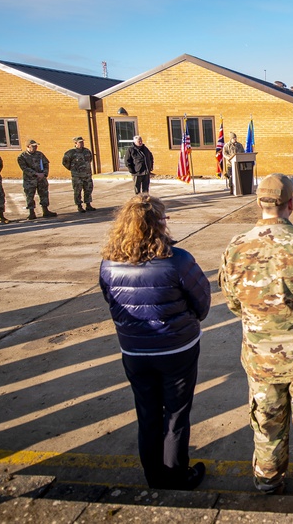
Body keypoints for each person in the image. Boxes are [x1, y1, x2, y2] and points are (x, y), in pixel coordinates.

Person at [220, 173, 293, 497]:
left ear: (259, 202)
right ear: (290, 203)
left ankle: (268, 482)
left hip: (261, 358)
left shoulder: (236, 246)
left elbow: (233, 303)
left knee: (267, 423)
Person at [99, 194, 210, 490]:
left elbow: (111, 303)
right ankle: (175, 476)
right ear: (157, 224)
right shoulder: (178, 260)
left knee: (147, 414)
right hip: (176, 349)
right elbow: (202, 304)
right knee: (175, 415)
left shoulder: (108, 263)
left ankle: (154, 476)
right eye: (164, 219)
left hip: (134, 349)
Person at [17, 139, 57, 220]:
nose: (35, 148)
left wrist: (44, 174)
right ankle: (31, 212)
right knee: (30, 195)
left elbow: (46, 164)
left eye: (36, 146)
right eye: (33, 146)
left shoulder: (40, 154)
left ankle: (45, 211)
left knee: (44, 194)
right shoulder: (22, 156)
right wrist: (36, 174)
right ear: (28, 146)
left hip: (41, 178)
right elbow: (24, 168)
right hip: (30, 180)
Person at [62, 136, 96, 212]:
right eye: (80, 142)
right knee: (78, 191)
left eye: (82, 142)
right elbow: (65, 162)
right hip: (77, 176)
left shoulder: (87, 151)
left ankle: (88, 204)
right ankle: (79, 206)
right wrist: (73, 169)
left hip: (87, 175)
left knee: (88, 190)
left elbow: (90, 159)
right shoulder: (70, 153)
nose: (82, 143)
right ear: (75, 143)